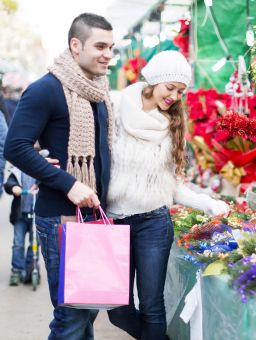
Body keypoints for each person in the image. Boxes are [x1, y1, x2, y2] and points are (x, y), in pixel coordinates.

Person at [4, 13, 114, 339]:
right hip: (60, 218)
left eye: (111, 47)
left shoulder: (98, 93)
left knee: (85, 313)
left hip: (93, 217)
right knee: (71, 317)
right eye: (100, 46)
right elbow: (15, 147)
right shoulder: (45, 89)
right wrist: (70, 182)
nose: (108, 54)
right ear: (75, 45)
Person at [106, 50, 229, 340]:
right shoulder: (115, 108)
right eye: (170, 87)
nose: (174, 96)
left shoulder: (172, 124)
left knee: (151, 304)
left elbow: (172, 186)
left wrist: (208, 203)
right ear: (153, 80)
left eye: (181, 91)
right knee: (117, 308)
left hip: (153, 222)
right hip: (114, 222)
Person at [4, 164, 37, 286]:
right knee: (18, 243)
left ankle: (31, 268)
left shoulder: (40, 170)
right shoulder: (17, 170)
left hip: (36, 215)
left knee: (34, 243)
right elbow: (9, 184)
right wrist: (14, 187)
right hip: (20, 214)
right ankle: (17, 270)